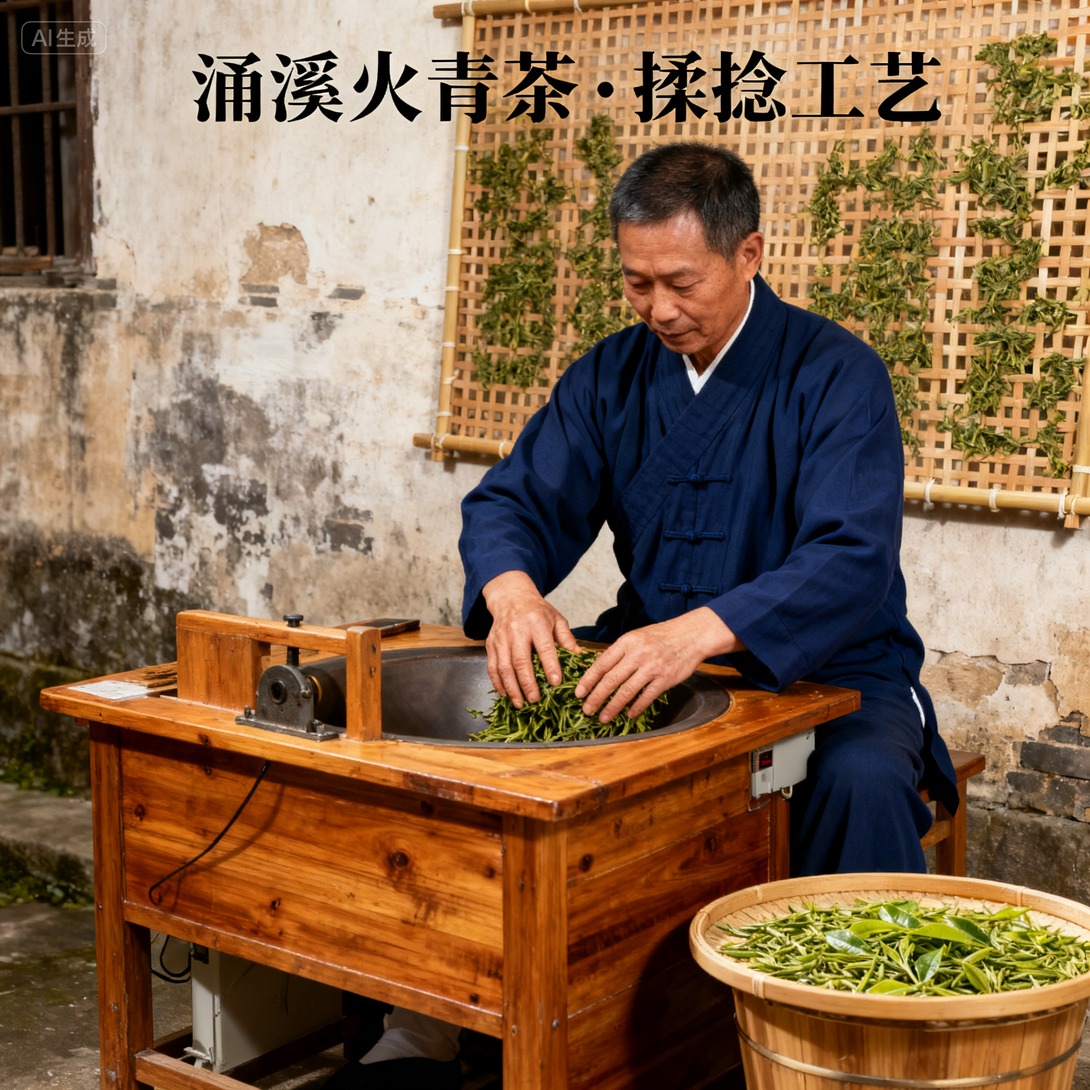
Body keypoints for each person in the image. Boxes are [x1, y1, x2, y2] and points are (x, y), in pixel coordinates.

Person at [326, 140, 958, 1089]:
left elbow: (850, 558)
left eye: (680, 282)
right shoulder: (611, 379)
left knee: (857, 780)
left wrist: (704, 628)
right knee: (485, 745)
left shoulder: (837, 375)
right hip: (655, 653)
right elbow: (512, 506)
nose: (658, 308)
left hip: (834, 668)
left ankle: (866, 1056)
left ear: (749, 255)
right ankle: (442, 1018)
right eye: (635, 283)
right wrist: (512, 593)